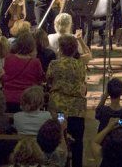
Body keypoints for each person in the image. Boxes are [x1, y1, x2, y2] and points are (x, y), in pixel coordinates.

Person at [46, 35, 88, 167]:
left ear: (60, 49)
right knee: (78, 141)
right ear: (75, 50)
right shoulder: (80, 65)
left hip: (59, 109)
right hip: (77, 109)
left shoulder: (54, 64)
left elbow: (49, 80)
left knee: (58, 138)